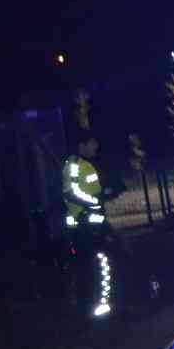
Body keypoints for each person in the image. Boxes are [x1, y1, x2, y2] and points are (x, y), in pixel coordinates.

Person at [62, 133, 115, 318]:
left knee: (100, 264)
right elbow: (71, 192)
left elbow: (91, 189)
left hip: (93, 224)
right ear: (82, 145)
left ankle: (99, 304)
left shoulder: (86, 164)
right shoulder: (74, 164)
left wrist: (105, 194)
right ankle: (92, 307)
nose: (95, 147)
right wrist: (95, 202)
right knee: (92, 266)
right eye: (92, 143)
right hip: (83, 226)